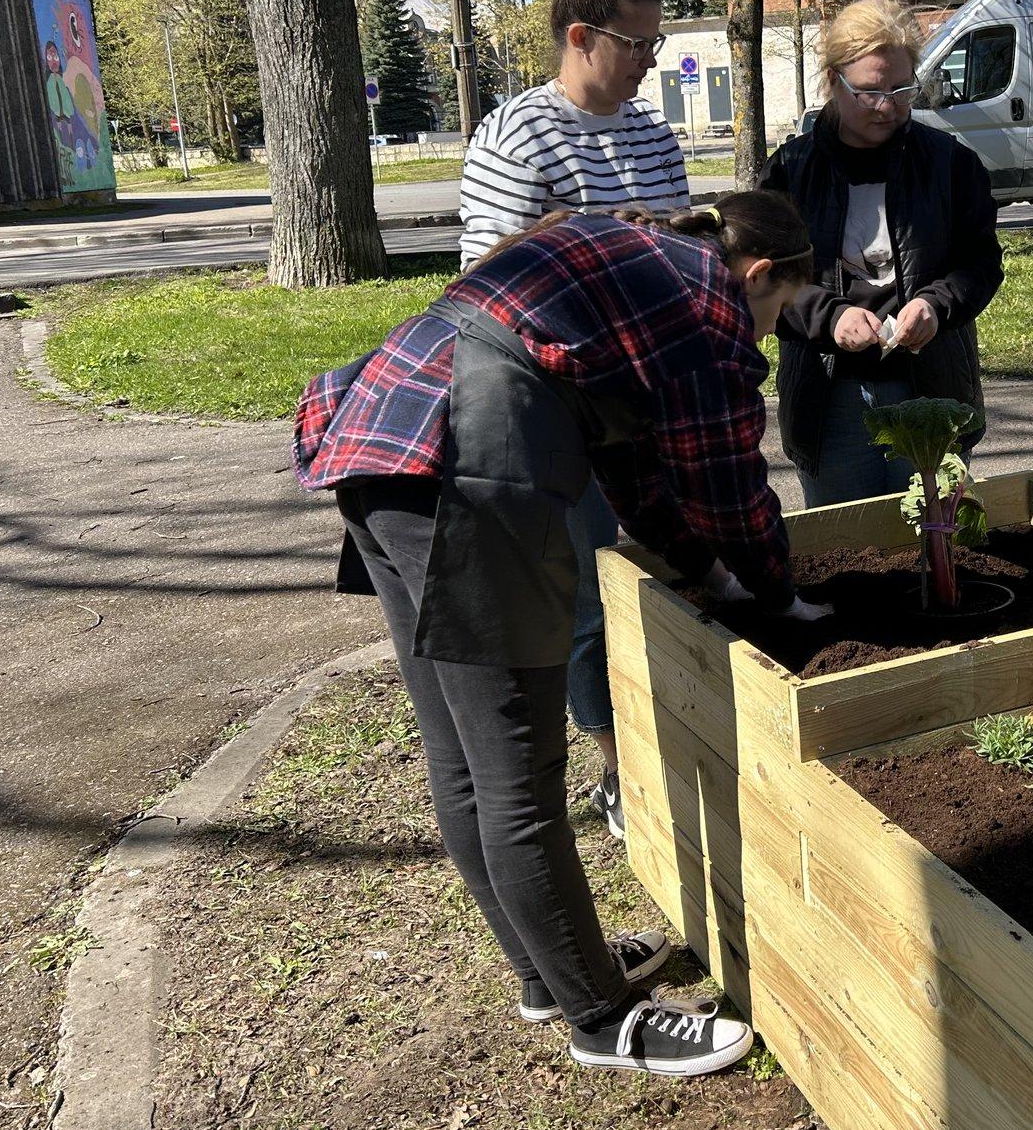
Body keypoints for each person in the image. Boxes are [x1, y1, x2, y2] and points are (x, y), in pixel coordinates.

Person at [291, 193, 829, 1076]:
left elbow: (640, 478)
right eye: (776, 314)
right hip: (465, 463)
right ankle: (603, 1019)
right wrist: (778, 590)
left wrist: (704, 569)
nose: (764, 336)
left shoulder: (640, 265)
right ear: (759, 275)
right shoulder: (707, 299)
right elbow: (725, 477)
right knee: (518, 775)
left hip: (386, 448)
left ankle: (550, 975)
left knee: (463, 763)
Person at [459, 0, 688, 842]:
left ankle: (673, 728)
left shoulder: (651, 131)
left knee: (666, 574)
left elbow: (678, 251)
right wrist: (580, 233)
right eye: (638, 46)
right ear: (583, 36)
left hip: (650, 396)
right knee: (591, 589)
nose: (648, 63)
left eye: (655, 46)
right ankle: (617, 771)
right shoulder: (517, 132)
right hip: (559, 406)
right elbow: (483, 280)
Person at [761, 0, 1004, 505]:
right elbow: (763, 281)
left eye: (901, 89)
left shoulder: (951, 166)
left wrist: (936, 306)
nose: (887, 107)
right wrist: (828, 317)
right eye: (869, 92)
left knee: (939, 547)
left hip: (933, 389)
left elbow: (980, 264)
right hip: (830, 400)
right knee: (847, 555)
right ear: (833, 80)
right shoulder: (791, 171)